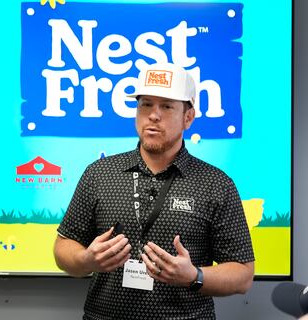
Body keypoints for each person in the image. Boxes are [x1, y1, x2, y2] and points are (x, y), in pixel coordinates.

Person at [54, 63, 254, 320]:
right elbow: (63, 245)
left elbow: (242, 274)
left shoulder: (215, 184)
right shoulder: (99, 173)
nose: (153, 115)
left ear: (188, 117)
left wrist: (194, 276)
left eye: (167, 106)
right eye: (145, 104)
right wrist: (86, 260)